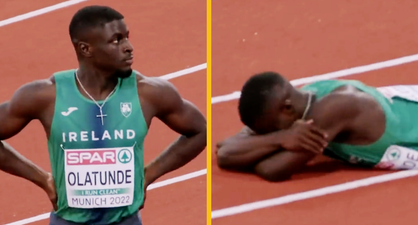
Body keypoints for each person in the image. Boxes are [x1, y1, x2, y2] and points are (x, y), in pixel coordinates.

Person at [0, 5, 206, 225]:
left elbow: (199, 130)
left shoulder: (149, 93)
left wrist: (148, 175)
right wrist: (41, 179)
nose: (129, 47)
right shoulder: (45, 96)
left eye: (127, 37)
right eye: (116, 40)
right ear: (85, 49)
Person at [216, 71, 418, 182]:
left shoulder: (333, 109)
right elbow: (225, 152)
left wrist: (263, 146)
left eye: (273, 129)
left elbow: (272, 169)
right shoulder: (301, 100)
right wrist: (279, 138)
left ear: (287, 108)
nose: (274, 133)